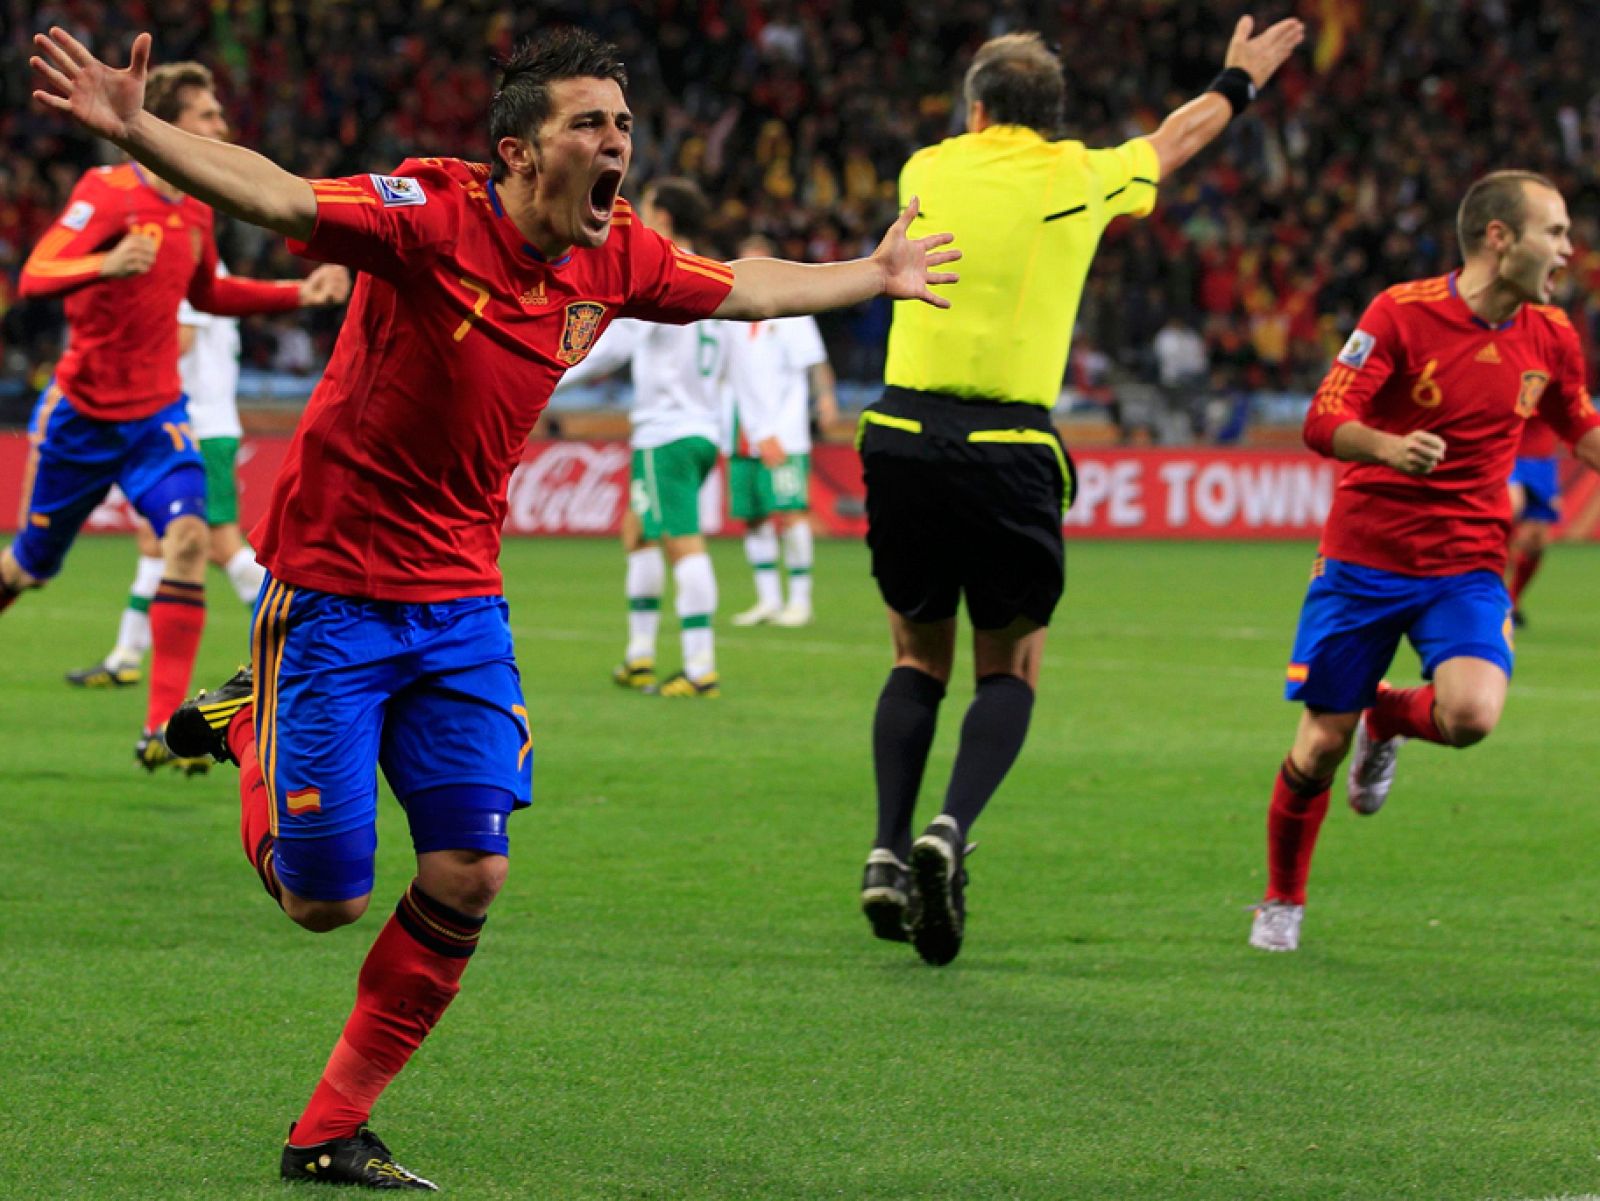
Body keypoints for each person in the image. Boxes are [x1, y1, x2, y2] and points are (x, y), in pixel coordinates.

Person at [31, 24, 956, 1190]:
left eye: (623, 125)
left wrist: (872, 276)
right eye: (590, 125)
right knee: (328, 900)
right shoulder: (425, 212)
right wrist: (136, 132)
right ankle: (248, 716)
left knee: (471, 868)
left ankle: (326, 1131)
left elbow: (740, 288)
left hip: (461, 602)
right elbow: (274, 194)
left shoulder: (613, 255)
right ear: (520, 152)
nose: (616, 144)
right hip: (333, 593)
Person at [856, 19, 1304, 967]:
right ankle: (951, 826)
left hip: (900, 432)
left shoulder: (924, 169)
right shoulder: (1080, 176)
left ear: (974, 110)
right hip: (1009, 442)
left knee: (914, 655)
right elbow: (1178, 138)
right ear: (1055, 120)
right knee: (1009, 669)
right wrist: (1238, 78)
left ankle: (888, 851)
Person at [1249, 169, 1600, 954]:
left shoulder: (1552, 335)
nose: (1569, 250)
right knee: (1318, 746)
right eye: (1556, 232)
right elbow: (1322, 416)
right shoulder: (1399, 314)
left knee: (1472, 713)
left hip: (1468, 562)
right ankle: (1282, 899)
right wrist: (1387, 446)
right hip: (1363, 561)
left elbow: (1579, 428)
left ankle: (1389, 714)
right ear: (1498, 237)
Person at [4, 58, 340, 771]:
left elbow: (211, 292)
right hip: (82, 417)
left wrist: (296, 295)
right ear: (169, 124)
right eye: (209, 115)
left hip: (157, 417)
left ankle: (163, 729)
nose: (221, 124)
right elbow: (36, 274)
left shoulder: (194, 206)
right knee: (27, 569)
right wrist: (104, 264)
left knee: (188, 536)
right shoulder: (107, 190)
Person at [554, 178, 759, 698]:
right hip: (702, 432)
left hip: (665, 432)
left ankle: (700, 667)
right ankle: (639, 657)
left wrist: (550, 372)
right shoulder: (718, 276)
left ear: (663, 218)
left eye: (645, 211)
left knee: (682, 542)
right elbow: (739, 368)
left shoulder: (660, 270)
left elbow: (613, 345)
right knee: (637, 531)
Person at [727, 232, 839, 629]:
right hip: (740, 430)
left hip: (784, 429)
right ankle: (768, 599)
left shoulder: (793, 312)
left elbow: (815, 361)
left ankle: (801, 600)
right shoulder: (731, 317)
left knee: (791, 513)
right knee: (754, 516)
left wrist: (825, 399)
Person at [1504, 412, 1562, 626]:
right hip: (1509, 455)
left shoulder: (1558, 380)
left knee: (1536, 542)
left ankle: (1513, 600)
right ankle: (1490, 594)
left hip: (1543, 462)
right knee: (1511, 508)